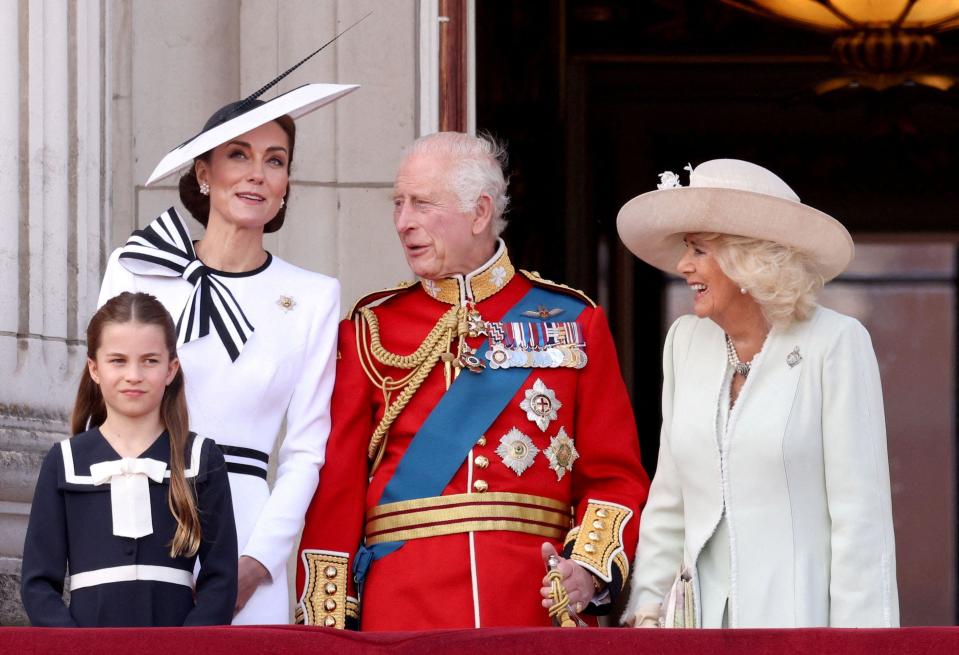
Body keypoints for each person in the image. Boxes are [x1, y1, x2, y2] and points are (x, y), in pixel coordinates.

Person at [295, 131, 649, 630]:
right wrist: (326, 627)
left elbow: (613, 477)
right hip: (401, 611)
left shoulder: (574, 320)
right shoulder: (370, 327)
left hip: (533, 606)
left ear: (479, 212)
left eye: (421, 204)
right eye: (398, 203)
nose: (403, 222)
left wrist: (587, 573)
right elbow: (337, 493)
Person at [97, 79, 357, 623]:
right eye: (238, 155)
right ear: (203, 172)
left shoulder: (314, 296)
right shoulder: (138, 268)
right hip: (134, 515)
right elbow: (101, 411)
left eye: (275, 160)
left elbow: (307, 450)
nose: (257, 174)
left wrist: (257, 563)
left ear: (287, 182)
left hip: (245, 529)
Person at [616, 158, 899, 628]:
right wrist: (647, 612)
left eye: (699, 250)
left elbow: (860, 521)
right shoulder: (686, 342)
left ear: (750, 261)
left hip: (797, 623)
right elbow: (670, 498)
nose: (684, 266)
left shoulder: (835, 344)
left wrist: (859, 644)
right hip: (694, 628)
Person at [20, 292, 237, 626]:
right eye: (118, 361)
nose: (133, 375)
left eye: (149, 360)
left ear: (171, 368)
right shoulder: (63, 461)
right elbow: (38, 585)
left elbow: (220, 580)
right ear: (94, 368)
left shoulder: (201, 459)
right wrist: (76, 649)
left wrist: (189, 647)